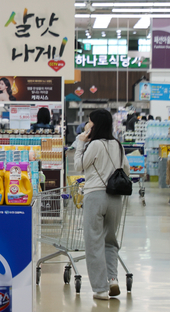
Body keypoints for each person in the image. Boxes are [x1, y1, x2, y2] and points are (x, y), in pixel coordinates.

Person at [74, 109, 129, 300]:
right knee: (110, 241)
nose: (88, 125)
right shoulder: (118, 145)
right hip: (115, 197)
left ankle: (100, 289)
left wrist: (81, 142)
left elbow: (79, 165)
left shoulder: (95, 145)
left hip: (95, 197)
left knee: (94, 242)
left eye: (89, 122)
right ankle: (112, 279)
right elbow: (126, 169)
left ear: (94, 124)